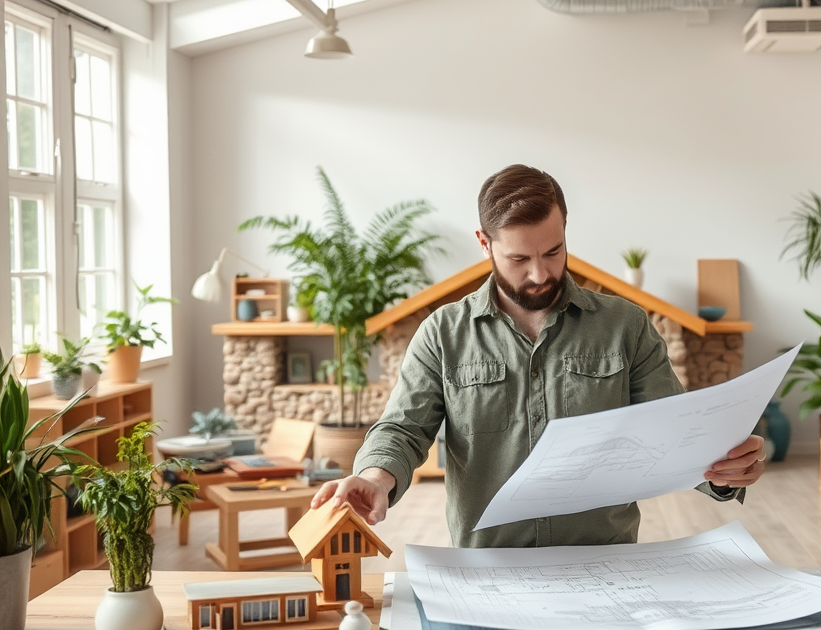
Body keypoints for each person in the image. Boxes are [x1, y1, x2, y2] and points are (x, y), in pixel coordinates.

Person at [311, 164, 766, 547]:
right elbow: (404, 429)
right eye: (518, 259)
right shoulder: (442, 334)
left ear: (565, 229)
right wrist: (374, 477)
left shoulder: (626, 326)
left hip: (608, 563)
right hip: (489, 568)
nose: (539, 273)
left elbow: (675, 432)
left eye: (553, 251)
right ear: (485, 244)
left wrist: (724, 470)